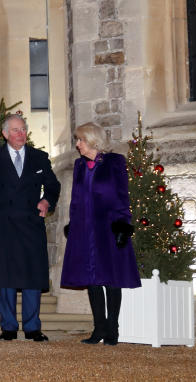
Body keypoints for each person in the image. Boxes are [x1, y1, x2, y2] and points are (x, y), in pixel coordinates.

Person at [0, 113, 61, 342]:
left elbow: (53, 186)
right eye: (15, 130)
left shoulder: (40, 158)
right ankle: (9, 327)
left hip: (31, 224)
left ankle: (33, 327)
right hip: (3, 224)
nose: (20, 134)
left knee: (33, 277)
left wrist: (47, 201)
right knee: (5, 278)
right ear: (4, 134)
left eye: (23, 129)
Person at [61, 122, 140, 345]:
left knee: (111, 279)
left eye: (80, 140)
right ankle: (99, 329)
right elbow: (75, 200)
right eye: (77, 140)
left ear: (92, 140)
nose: (77, 144)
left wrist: (123, 225)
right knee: (92, 280)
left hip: (109, 227)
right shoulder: (79, 165)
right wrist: (73, 224)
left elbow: (122, 196)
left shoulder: (115, 162)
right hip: (85, 229)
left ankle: (112, 330)